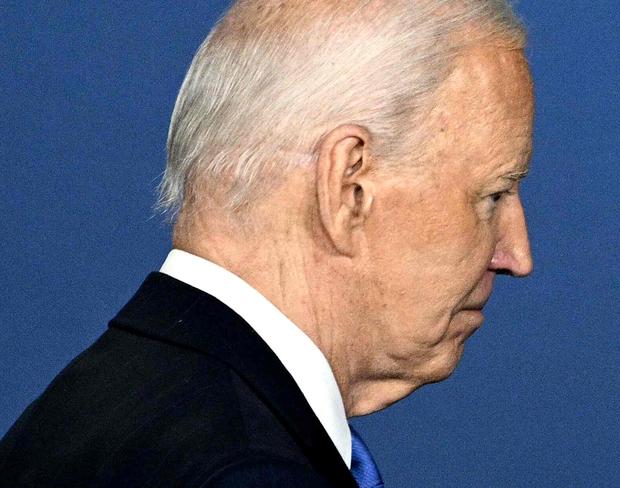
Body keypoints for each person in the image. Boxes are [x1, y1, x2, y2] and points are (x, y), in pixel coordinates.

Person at [0, 1, 534, 486]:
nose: (516, 255)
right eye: (492, 195)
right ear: (349, 188)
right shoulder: (246, 473)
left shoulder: (81, 417)